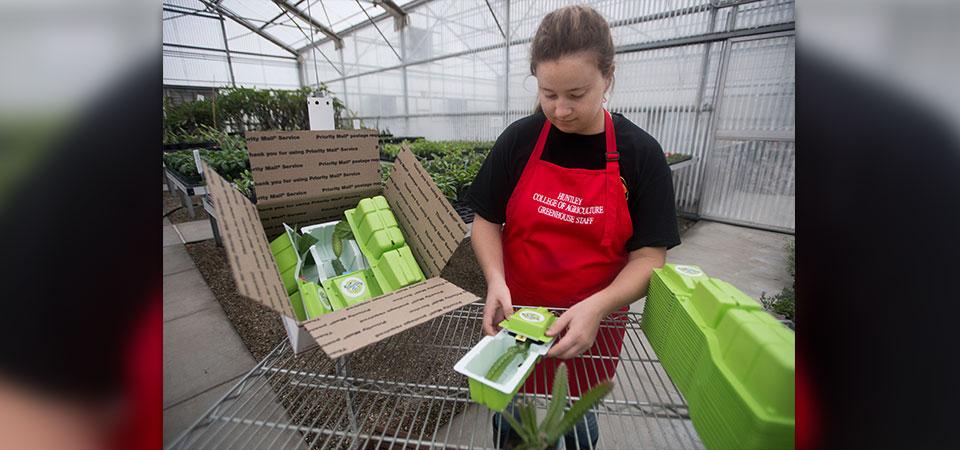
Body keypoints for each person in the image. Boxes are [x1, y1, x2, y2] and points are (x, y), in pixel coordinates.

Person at [465, 5, 681, 449]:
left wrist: (599, 306)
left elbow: (648, 258)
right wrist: (495, 280)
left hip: (591, 328)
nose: (560, 111)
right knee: (512, 425)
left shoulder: (640, 154)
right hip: (518, 319)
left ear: (608, 76)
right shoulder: (521, 140)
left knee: (579, 422)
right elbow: (485, 220)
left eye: (577, 94)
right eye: (548, 94)